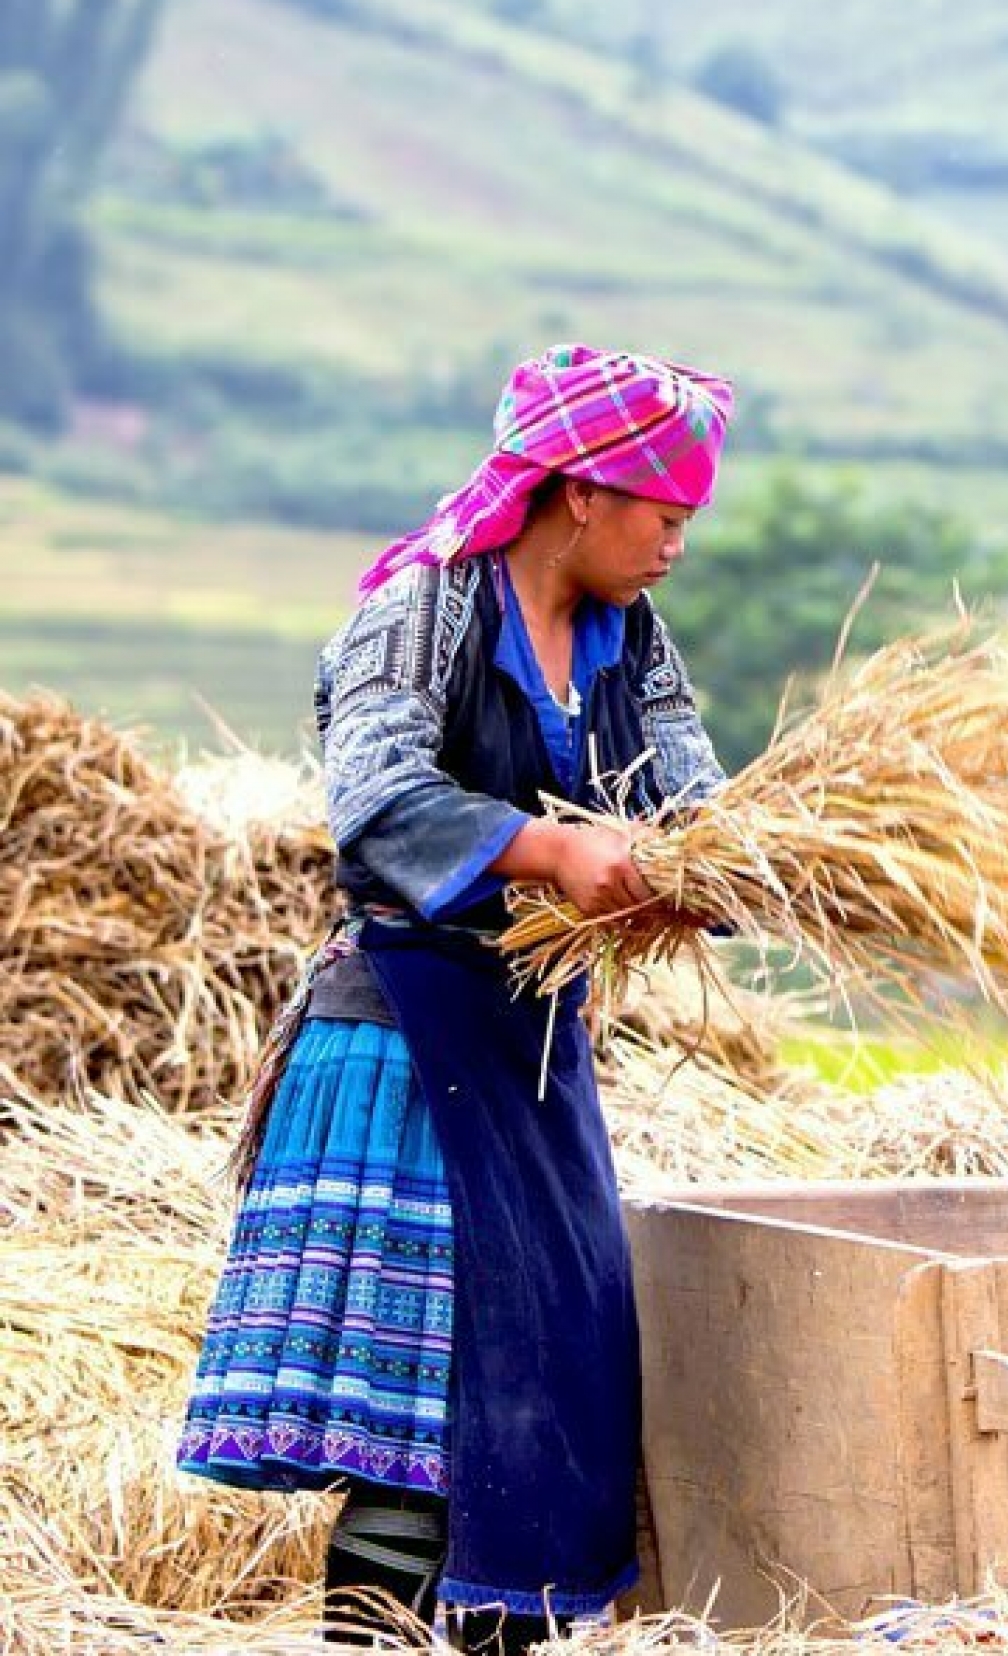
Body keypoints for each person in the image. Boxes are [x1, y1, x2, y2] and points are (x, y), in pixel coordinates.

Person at [177, 344, 736, 1651]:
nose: (675, 545)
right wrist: (554, 851)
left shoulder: (626, 638)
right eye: (663, 514)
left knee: (549, 1364)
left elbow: (689, 805)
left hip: (534, 1041)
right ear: (580, 493)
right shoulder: (420, 607)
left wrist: (716, 872)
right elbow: (375, 797)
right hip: (401, 1039)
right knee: (424, 1399)